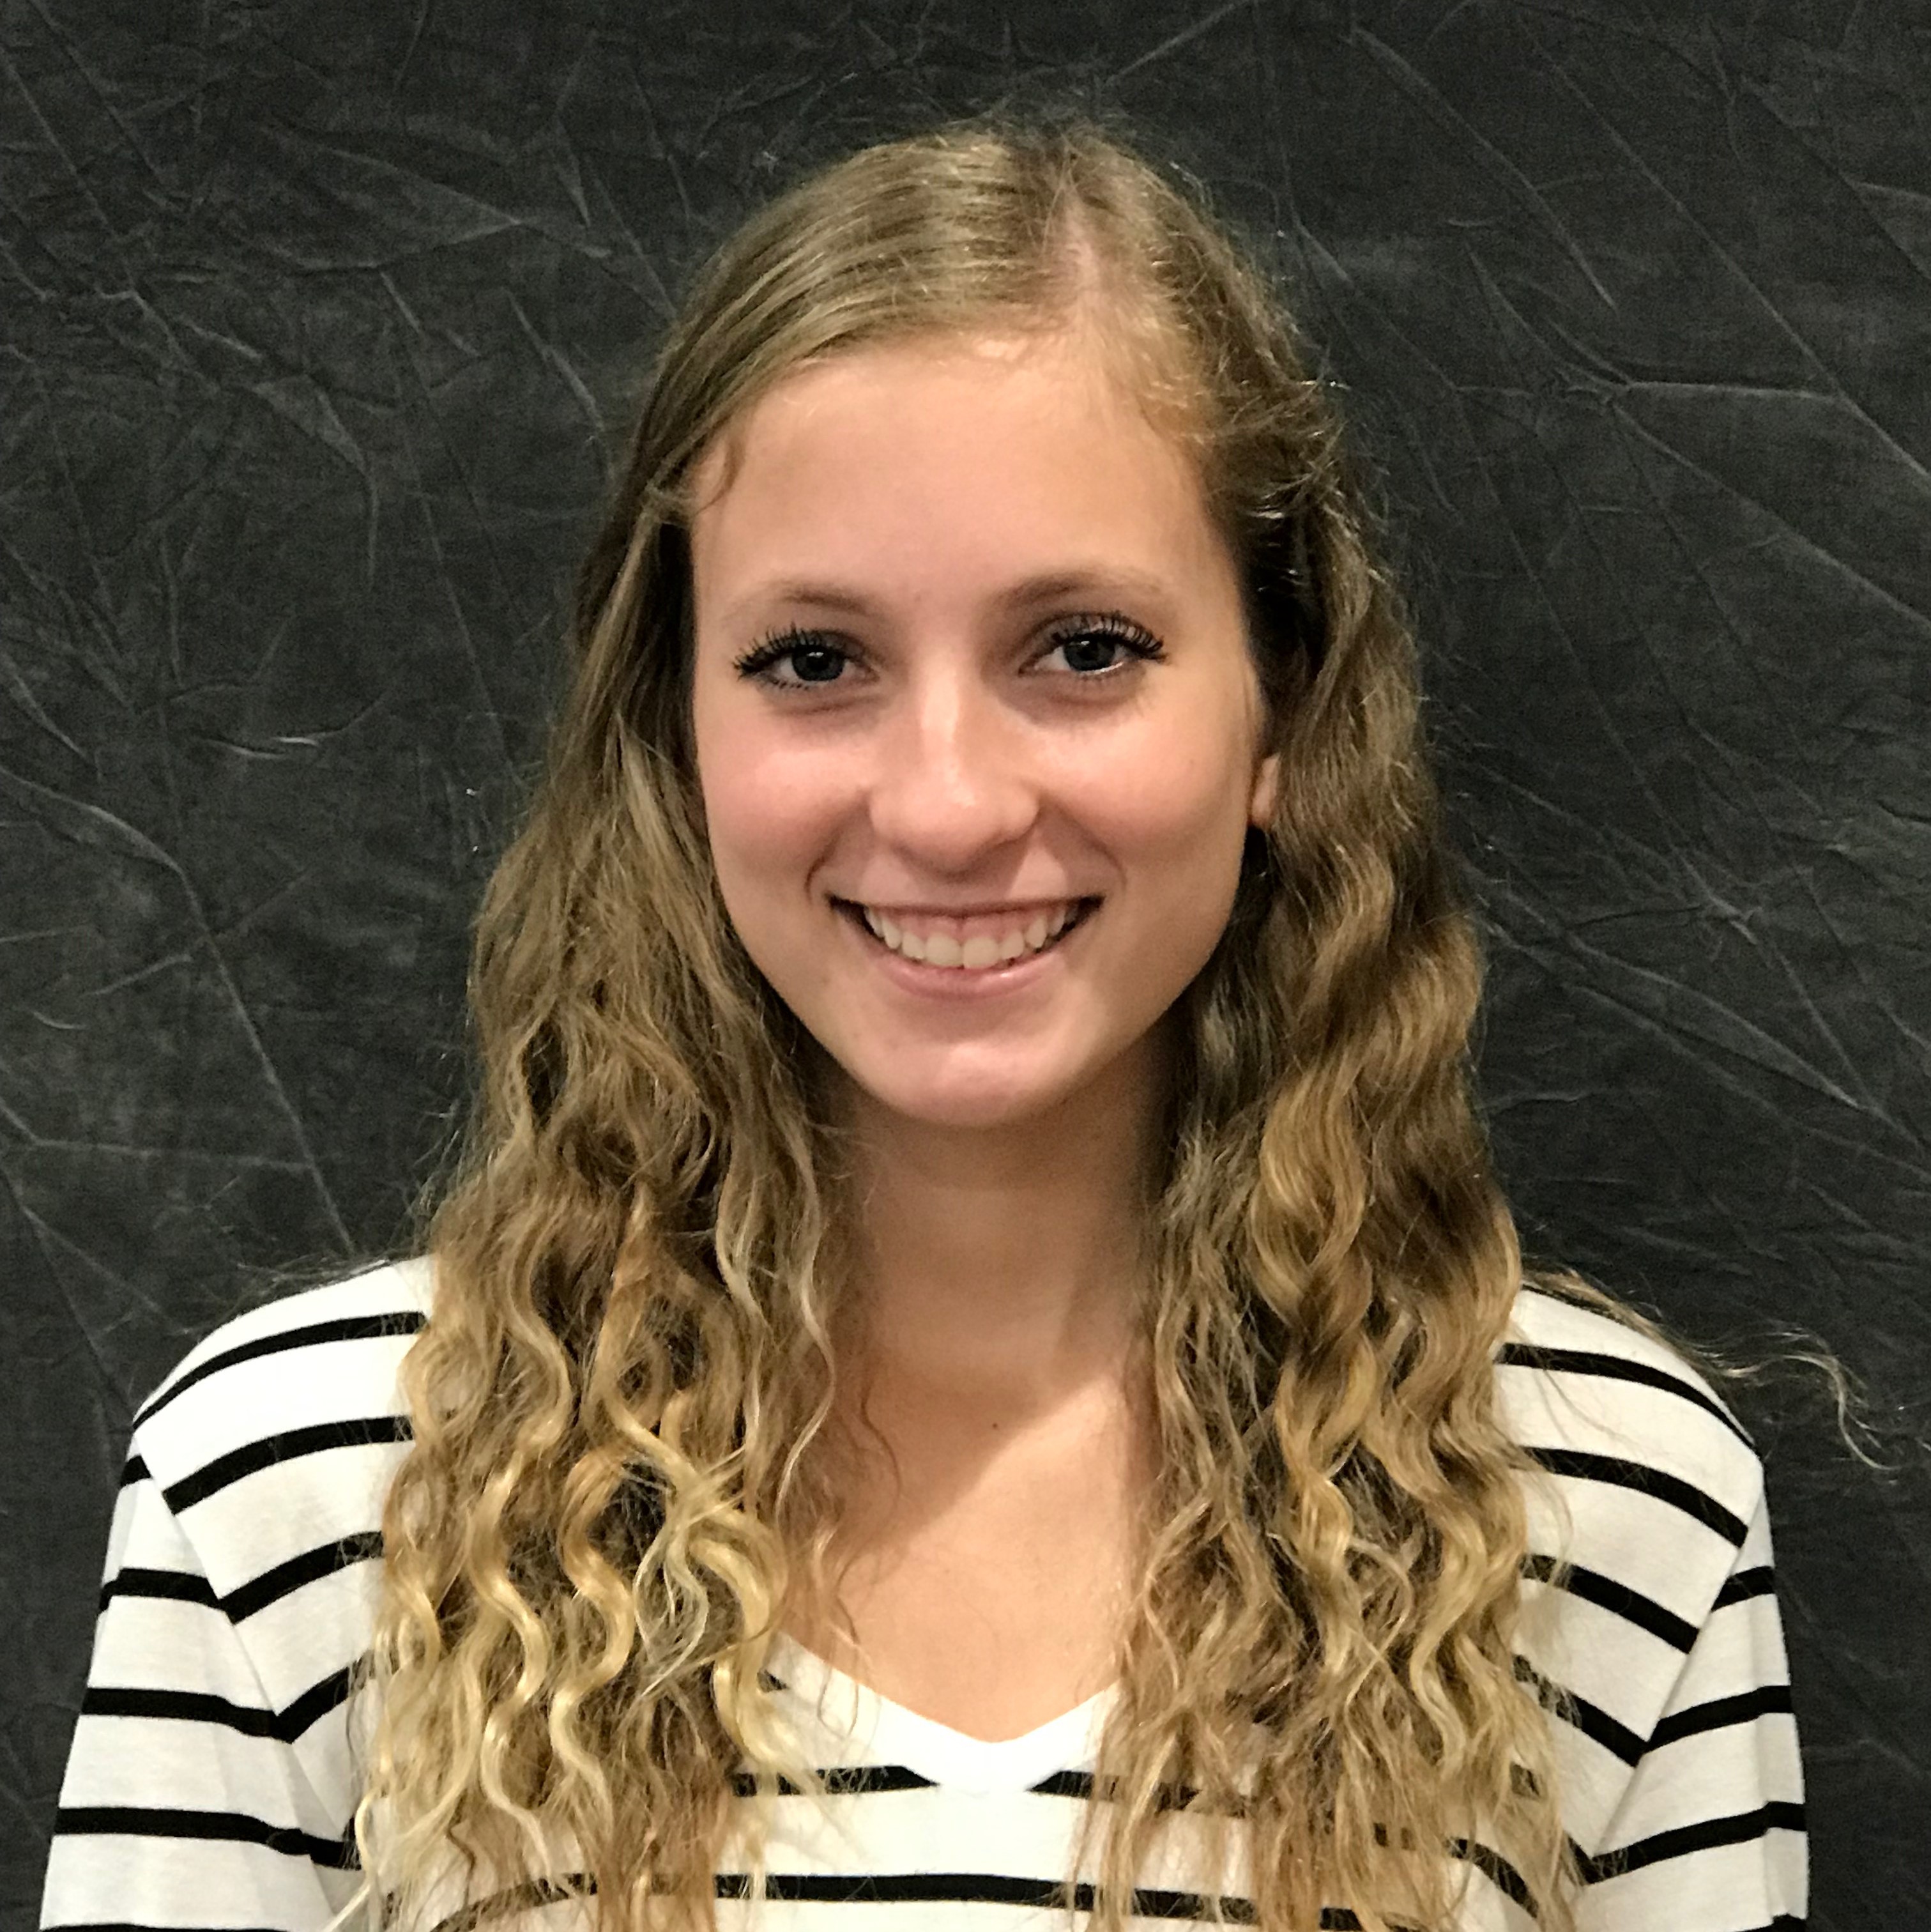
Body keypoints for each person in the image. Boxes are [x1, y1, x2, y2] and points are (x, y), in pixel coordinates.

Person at [39, 109, 1804, 1932]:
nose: (949, 806)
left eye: (1085, 649)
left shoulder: (1607, 1515)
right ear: (677, 731)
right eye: (815, 661)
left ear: (1281, 713)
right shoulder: (294, 1499)